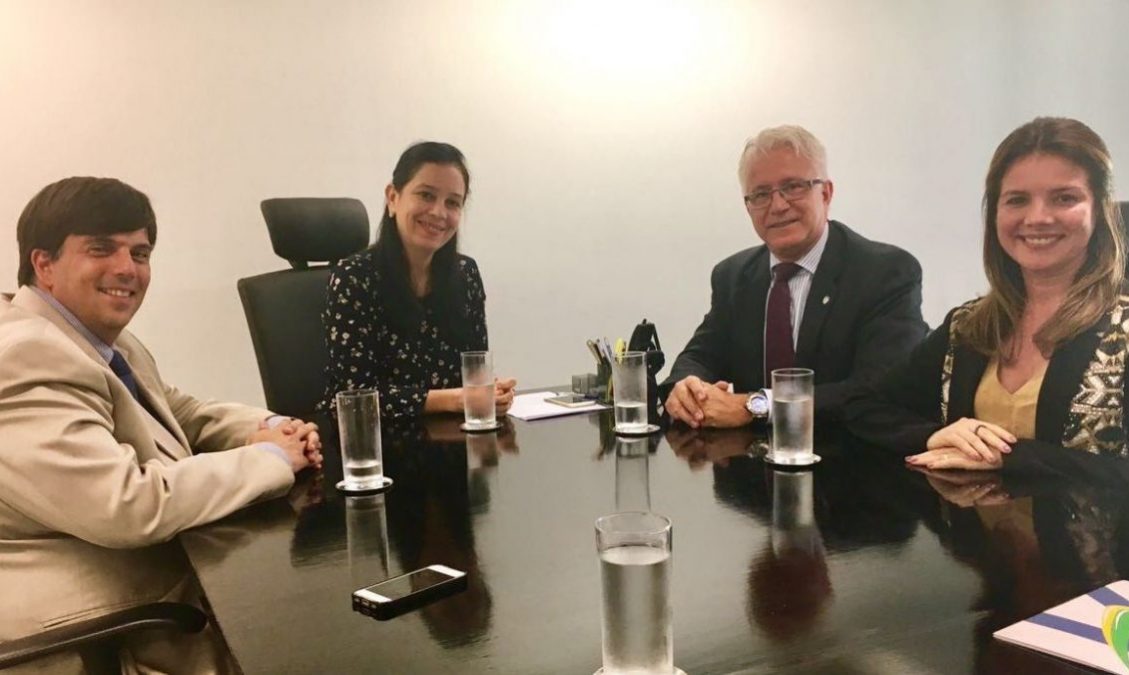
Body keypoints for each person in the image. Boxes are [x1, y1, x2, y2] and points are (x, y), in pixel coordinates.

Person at [0, 176, 323, 673]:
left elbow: (177, 411)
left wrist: (273, 424)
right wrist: (272, 458)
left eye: (140, 253)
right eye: (101, 249)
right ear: (44, 264)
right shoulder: (26, 355)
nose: (126, 269)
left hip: (154, 572)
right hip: (106, 620)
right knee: (311, 639)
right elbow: (127, 504)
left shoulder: (91, 338)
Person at [845, 117, 1127, 471]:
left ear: (1099, 211)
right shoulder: (967, 326)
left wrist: (1010, 457)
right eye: (1017, 200)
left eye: (1064, 198)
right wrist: (934, 435)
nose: (1037, 217)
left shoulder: (1121, 332)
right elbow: (864, 407)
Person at [662, 125, 927, 428]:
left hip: (849, 451)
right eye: (761, 194)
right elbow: (699, 356)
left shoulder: (885, 273)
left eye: (793, 187)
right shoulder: (733, 276)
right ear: (748, 207)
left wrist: (758, 406)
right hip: (748, 456)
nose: (778, 205)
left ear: (825, 193)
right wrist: (687, 389)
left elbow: (880, 388)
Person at [322, 141, 516, 421]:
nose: (439, 212)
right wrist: (455, 399)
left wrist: (490, 394)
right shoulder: (353, 278)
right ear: (393, 198)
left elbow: (475, 373)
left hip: (452, 436)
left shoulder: (465, 274)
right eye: (426, 195)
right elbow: (354, 397)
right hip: (374, 441)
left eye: (452, 203)